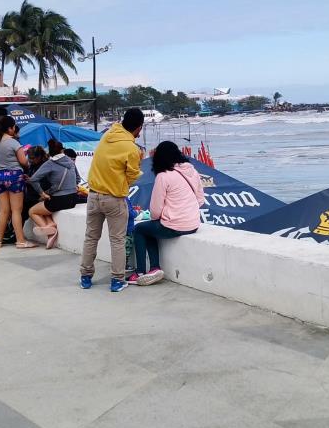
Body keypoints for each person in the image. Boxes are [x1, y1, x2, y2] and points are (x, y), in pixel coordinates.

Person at [80, 108, 144, 292]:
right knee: (117, 240)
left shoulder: (107, 135)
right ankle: (117, 280)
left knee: (91, 237)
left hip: (93, 195)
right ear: (139, 127)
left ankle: (85, 276)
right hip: (114, 199)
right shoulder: (131, 148)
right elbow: (132, 176)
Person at [127, 141, 204, 286]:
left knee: (139, 229)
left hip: (174, 225)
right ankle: (154, 268)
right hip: (194, 223)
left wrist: (169, 214)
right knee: (148, 229)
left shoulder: (163, 176)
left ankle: (141, 271)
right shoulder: (192, 170)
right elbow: (200, 199)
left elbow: (155, 212)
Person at [0, 116, 32, 248]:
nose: (14, 130)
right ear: (9, 128)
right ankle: (20, 241)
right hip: (14, 177)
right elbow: (24, 162)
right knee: (16, 211)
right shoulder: (13, 143)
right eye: (13, 127)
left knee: (3, 211)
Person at [28, 139, 79, 248]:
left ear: (50, 152)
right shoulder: (70, 161)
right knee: (45, 205)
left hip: (59, 200)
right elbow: (78, 179)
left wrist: (42, 193)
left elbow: (33, 180)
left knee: (32, 211)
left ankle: (50, 232)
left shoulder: (49, 164)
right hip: (73, 198)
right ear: (62, 150)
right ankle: (50, 225)